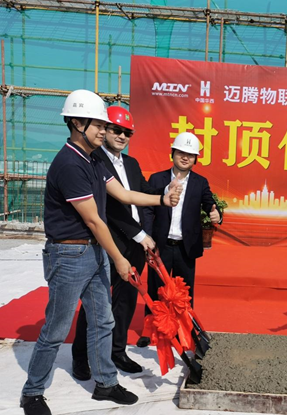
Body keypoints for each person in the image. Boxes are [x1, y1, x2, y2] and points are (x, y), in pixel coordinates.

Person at [20, 90, 181, 415]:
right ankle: (33, 392)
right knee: (56, 328)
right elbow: (94, 220)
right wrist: (120, 259)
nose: (105, 131)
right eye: (99, 125)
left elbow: (123, 194)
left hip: (92, 254)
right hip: (68, 256)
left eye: (106, 126)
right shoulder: (69, 164)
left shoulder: (93, 160)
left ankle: (105, 383)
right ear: (77, 123)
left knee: (103, 321)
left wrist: (162, 200)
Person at [72, 106, 172, 378]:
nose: (121, 136)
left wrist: (170, 189)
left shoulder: (131, 163)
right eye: (116, 130)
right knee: (96, 302)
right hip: (109, 243)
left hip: (135, 244)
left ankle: (116, 351)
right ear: (104, 130)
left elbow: (144, 194)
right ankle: (81, 356)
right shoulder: (95, 160)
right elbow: (113, 207)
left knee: (126, 301)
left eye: (127, 133)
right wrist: (140, 235)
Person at [136, 132, 221, 348]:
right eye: (181, 152)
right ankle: (149, 329)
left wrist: (216, 213)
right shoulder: (157, 179)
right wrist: (147, 236)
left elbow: (209, 203)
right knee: (156, 289)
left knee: (185, 292)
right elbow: (147, 209)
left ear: (195, 159)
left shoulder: (200, 182)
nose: (185, 157)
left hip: (186, 247)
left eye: (190, 155)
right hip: (160, 245)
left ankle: (186, 330)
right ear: (172, 153)